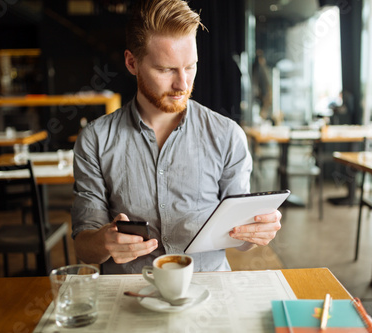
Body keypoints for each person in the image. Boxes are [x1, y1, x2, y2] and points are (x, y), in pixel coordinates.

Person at [71, 0, 282, 274]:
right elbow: (84, 248)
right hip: (130, 297)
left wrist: (256, 232)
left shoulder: (228, 136)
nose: (182, 84)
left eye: (190, 66)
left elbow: (241, 239)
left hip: (208, 294)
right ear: (132, 63)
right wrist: (104, 241)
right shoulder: (95, 140)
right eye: (165, 69)